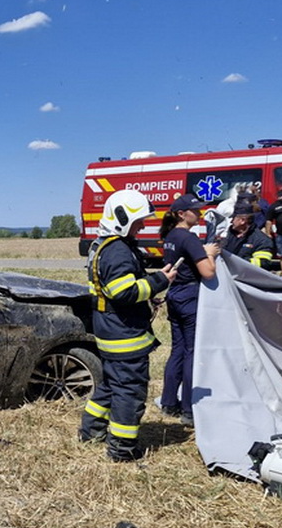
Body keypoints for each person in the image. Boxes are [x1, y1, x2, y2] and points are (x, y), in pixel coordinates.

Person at [79, 189, 177, 461]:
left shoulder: (104, 245)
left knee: (111, 385)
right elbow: (122, 293)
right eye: (139, 221)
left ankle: (91, 432)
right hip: (124, 336)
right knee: (129, 392)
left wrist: (150, 288)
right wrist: (160, 281)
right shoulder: (118, 251)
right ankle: (121, 449)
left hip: (110, 331)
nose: (144, 225)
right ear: (123, 219)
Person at [158, 194, 220, 427]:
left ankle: (168, 402)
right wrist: (210, 254)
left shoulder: (170, 236)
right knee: (191, 352)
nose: (200, 213)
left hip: (175, 295)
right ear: (182, 214)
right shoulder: (189, 238)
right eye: (195, 210)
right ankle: (188, 409)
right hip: (190, 297)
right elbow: (208, 272)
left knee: (177, 349)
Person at [221, 200, 274, 270]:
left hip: (245, 277)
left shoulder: (261, 240)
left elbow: (264, 263)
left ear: (243, 221)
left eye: (233, 218)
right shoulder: (229, 235)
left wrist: (238, 262)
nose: (231, 221)